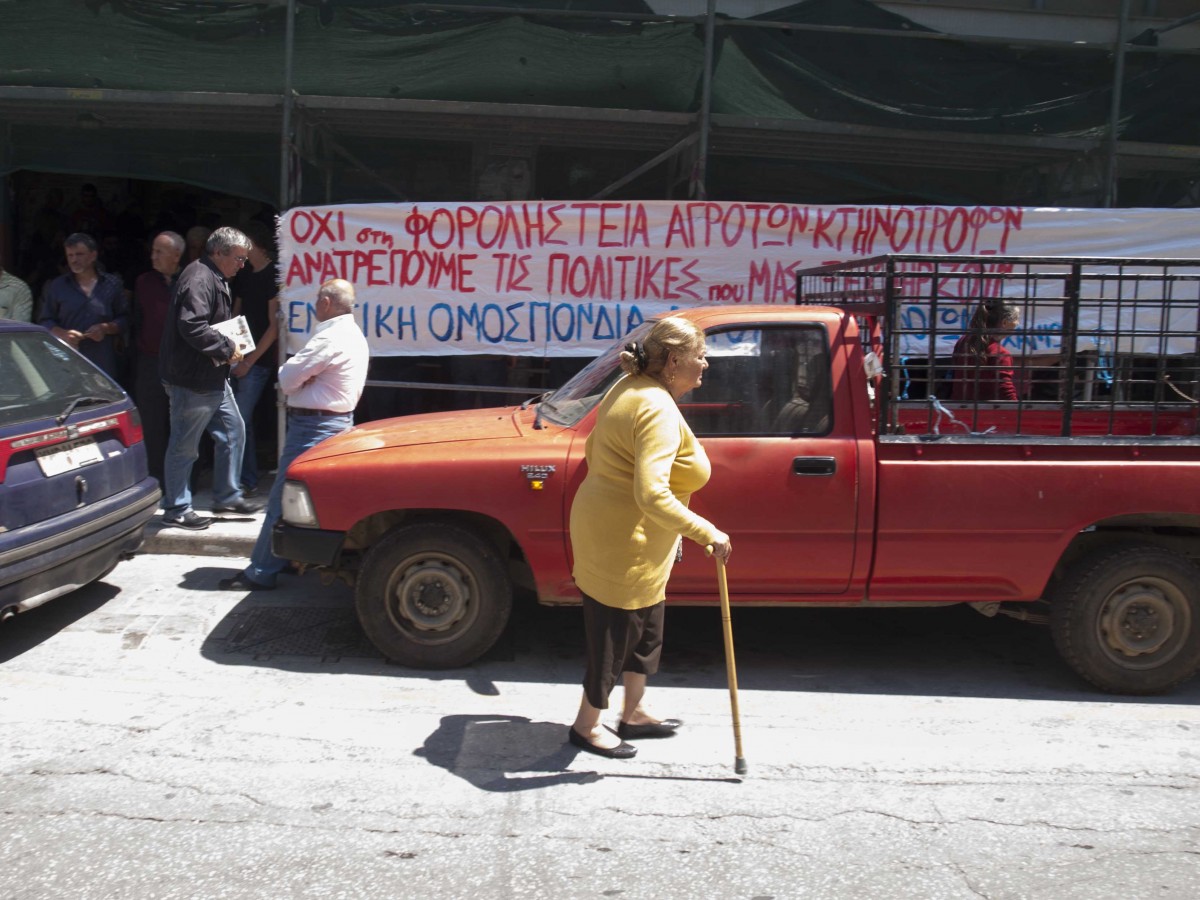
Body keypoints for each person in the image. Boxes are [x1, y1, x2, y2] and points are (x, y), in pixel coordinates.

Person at [566, 317, 732, 759]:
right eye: (701, 356)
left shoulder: (631, 385)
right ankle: (586, 725)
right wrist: (706, 532)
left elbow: (597, 449)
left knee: (646, 630)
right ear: (675, 360)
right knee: (614, 637)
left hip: (628, 534)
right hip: (624, 543)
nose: (706, 365)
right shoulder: (655, 408)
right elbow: (651, 493)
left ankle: (634, 711)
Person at [219, 278, 369, 591]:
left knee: (281, 498)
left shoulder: (330, 338)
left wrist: (303, 383)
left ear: (326, 303)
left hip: (313, 427)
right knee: (302, 497)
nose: (315, 306)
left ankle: (261, 571)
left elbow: (287, 377)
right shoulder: (352, 333)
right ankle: (285, 557)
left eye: (317, 300)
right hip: (332, 422)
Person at [159, 226, 260, 530]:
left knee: (233, 431)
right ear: (218, 253)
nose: (242, 265)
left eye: (245, 259)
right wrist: (229, 348)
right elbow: (191, 326)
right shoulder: (200, 278)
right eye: (239, 259)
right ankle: (176, 508)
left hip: (212, 377)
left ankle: (227, 494)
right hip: (192, 381)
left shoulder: (214, 276)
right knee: (185, 446)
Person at [230, 221, 280, 496]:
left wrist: (249, 361)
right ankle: (245, 477)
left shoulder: (273, 275)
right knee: (240, 419)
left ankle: (244, 479)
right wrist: (234, 357)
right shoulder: (245, 274)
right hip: (239, 357)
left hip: (257, 362)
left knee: (239, 418)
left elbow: (274, 327)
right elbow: (234, 316)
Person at [131, 231, 184, 484]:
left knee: (182, 426)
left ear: (176, 255)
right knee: (152, 425)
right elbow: (136, 321)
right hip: (150, 363)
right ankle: (156, 480)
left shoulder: (190, 280)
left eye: (159, 252)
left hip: (183, 367)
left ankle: (183, 482)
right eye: (152, 251)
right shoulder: (143, 282)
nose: (153, 256)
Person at [37, 232, 128, 379]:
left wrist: (105, 328)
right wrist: (62, 334)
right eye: (70, 255)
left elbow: (124, 319)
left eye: (79, 254)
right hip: (67, 361)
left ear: (93, 255)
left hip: (102, 362)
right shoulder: (58, 286)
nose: (74, 260)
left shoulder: (112, 284)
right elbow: (45, 321)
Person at [951, 298, 1020, 402]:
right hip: (986, 413)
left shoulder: (964, 341)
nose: (1017, 323)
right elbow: (1005, 393)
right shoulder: (1000, 354)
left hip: (959, 409)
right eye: (1016, 319)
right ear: (1004, 323)